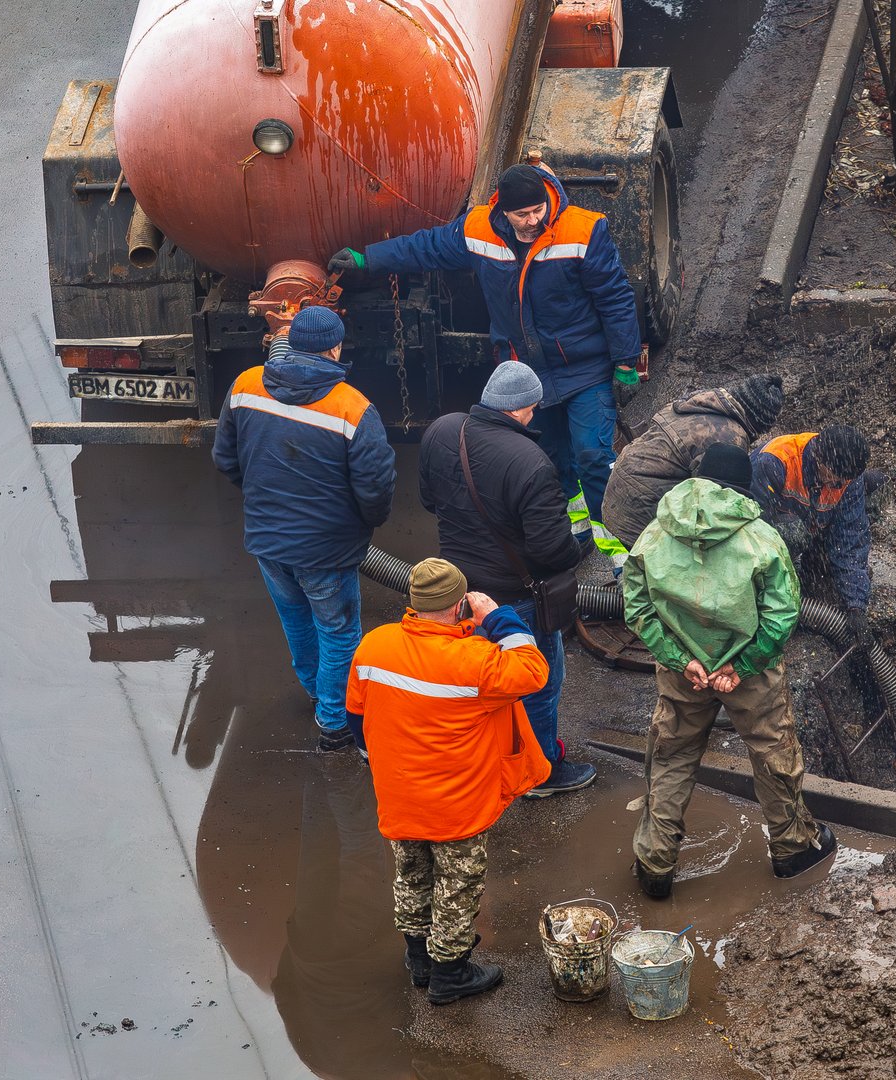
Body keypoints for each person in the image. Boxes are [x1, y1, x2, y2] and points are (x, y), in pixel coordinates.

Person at [330, 163, 641, 570]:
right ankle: (574, 530)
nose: (534, 221)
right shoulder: (478, 229)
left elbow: (616, 298)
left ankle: (624, 562)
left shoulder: (583, 231)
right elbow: (425, 247)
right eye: (523, 215)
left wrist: (625, 362)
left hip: (583, 368)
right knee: (548, 461)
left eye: (538, 211)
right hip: (527, 375)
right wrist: (367, 258)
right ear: (503, 212)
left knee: (593, 456)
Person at [622, 443, 836, 899]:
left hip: (684, 672)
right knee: (771, 750)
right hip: (749, 676)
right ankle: (793, 850)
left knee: (672, 755)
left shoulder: (654, 534)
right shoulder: (761, 538)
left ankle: (655, 864)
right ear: (743, 488)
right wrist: (743, 664)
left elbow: (636, 607)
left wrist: (682, 659)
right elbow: (783, 614)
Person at [345, 558, 552, 1005]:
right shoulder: (477, 661)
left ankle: (419, 960)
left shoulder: (374, 646)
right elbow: (534, 670)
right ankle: (450, 974)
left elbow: (356, 718)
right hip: (457, 802)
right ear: (460, 605)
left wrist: (379, 764)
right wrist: (496, 616)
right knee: (457, 884)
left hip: (399, 795)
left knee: (411, 873)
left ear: (413, 604)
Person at [212, 306, 396, 751]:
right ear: (335, 347)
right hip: (326, 551)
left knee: (296, 618)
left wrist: (263, 501)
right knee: (338, 631)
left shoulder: (246, 385)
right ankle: (334, 722)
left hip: (267, 541)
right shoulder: (353, 407)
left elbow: (225, 458)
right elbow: (375, 490)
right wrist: (360, 526)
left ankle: (317, 691)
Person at [416, 361, 598, 797]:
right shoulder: (531, 462)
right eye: (533, 409)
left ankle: (483, 758)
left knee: (474, 682)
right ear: (521, 409)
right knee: (536, 682)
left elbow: (428, 500)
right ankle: (540, 773)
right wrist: (579, 550)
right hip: (514, 600)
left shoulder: (442, 431)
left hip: (458, 594)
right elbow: (550, 549)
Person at [602, 373, 786, 550]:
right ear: (760, 421)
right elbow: (715, 507)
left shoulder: (701, 402)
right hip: (639, 510)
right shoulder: (729, 437)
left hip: (616, 491)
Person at [749, 426, 881, 646]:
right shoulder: (774, 462)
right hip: (768, 531)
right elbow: (750, 532)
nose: (837, 486)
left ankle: (809, 576)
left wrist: (856, 605)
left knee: (878, 486)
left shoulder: (847, 478)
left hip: (810, 529)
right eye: (834, 479)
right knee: (795, 534)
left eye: (842, 482)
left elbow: (849, 540)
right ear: (819, 458)